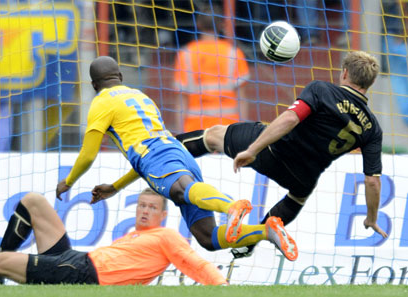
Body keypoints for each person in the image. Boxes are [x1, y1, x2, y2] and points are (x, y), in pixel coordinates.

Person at [54, 56, 297, 260]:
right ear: (120, 76)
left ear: (94, 84)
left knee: (181, 189)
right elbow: (144, 164)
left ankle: (231, 206)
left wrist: (69, 181)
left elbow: (88, 155)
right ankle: (267, 231)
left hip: (157, 155)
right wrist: (116, 187)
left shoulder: (101, 103)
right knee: (206, 237)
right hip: (175, 151)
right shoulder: (141, 97)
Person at [176, 50, 388, 257]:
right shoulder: (372, 128)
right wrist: (371, 217)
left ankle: (159, 151)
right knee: (297, 197)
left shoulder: (322, 90)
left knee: (213, 136)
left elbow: (290, 118)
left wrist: (252, 149)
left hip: (273, 151)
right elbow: (372, 181)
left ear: (344, 73)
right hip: (302, 175)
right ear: (370, 84)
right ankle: (252, 240)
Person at [0, 189, 229, 285]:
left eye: (150, 207)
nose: (143, 211)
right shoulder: (138, 237)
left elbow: (196, 264)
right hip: (79, 262)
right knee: (34, 202)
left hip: (84, 274)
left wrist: (223, 288)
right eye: (140, 205)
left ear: (162, 213)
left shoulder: (167, 237)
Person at [173, 5, 249, 132]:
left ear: (198, 24)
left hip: (195, 131)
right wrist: (243, 133)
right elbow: (242, 99)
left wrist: (180, 137)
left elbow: (181, 102)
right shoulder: (234, 53)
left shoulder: (185, 54)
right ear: (221, 25)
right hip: (227, 130)